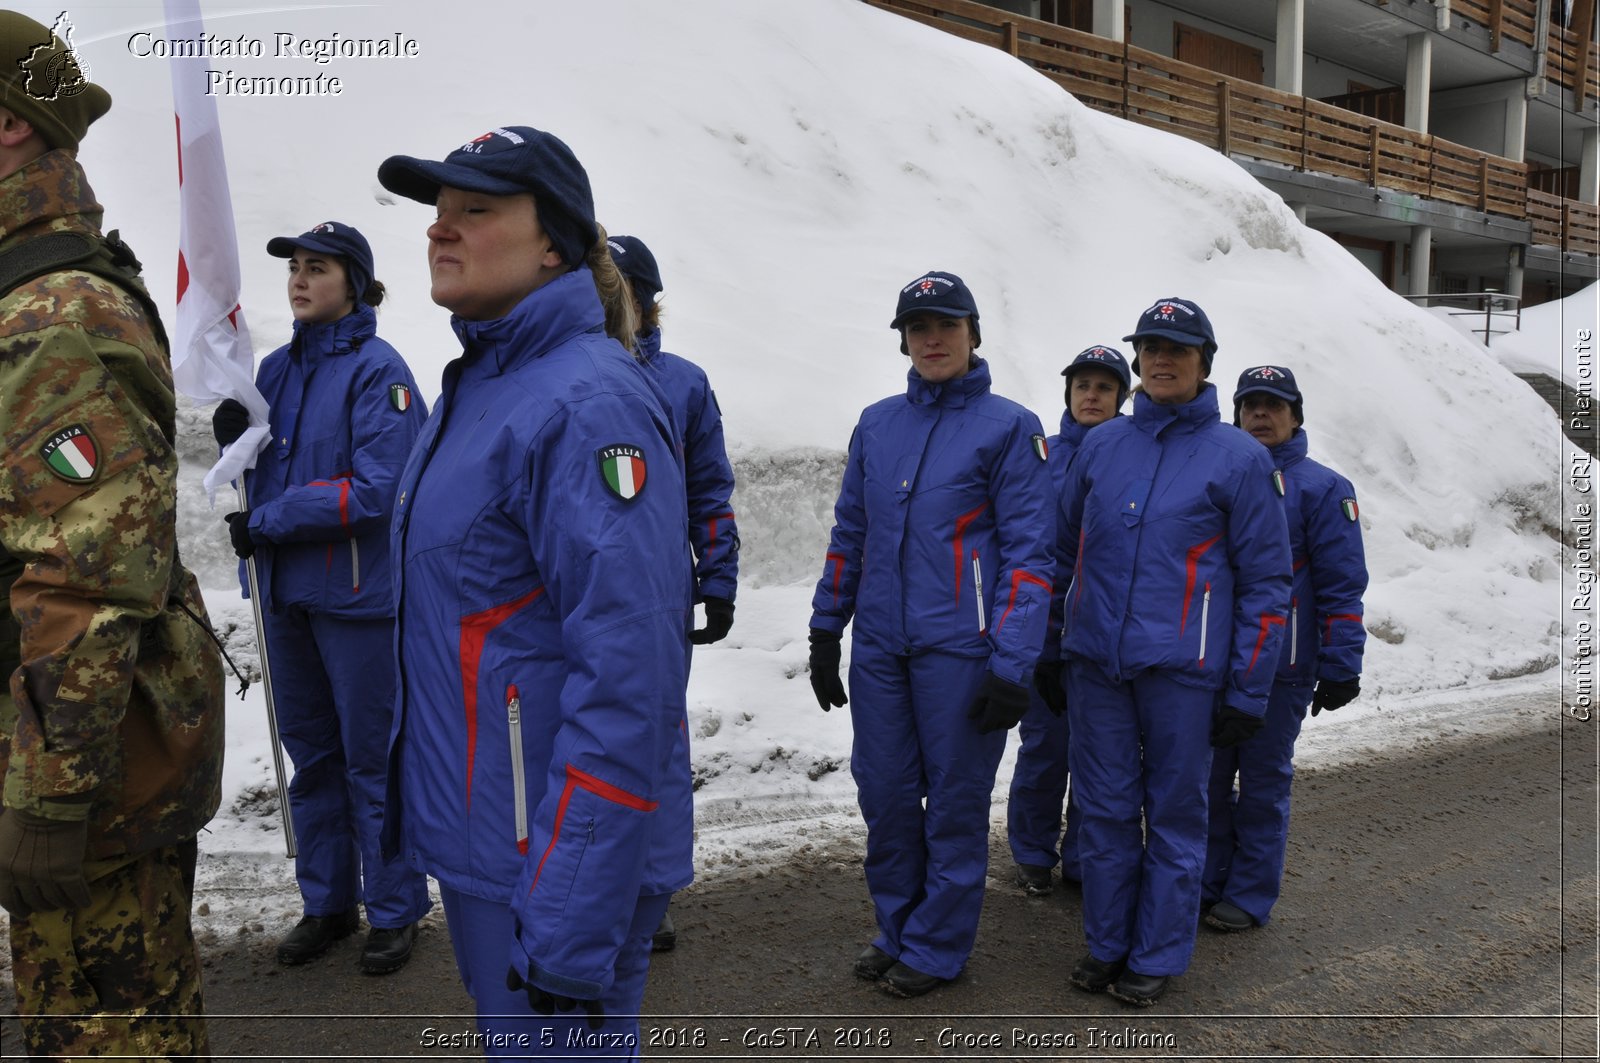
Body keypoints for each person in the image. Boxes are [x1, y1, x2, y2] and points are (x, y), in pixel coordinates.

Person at [376, 125, 693, 1057]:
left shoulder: (586, 404)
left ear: (552, 240)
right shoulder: (481, 388)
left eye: (475, 210)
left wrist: (572, 900)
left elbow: (630, 671)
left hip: (551, 857)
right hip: (492, 843)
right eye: (438, 213)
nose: (441, 230)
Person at [0, 11, 224, 1056]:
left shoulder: (51, 310)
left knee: (106, 1036)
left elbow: (88, 579)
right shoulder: (29, 287)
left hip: (91, 772)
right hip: (74, 749)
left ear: (9, 126)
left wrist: (48, 798)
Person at [808, 270, 1054, 998]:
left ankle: (939, 943)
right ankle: (899, 926)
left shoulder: (1011, 427)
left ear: (973, 333)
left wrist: (1012, 662)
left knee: (952, 801)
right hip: (882, 645)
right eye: (918, 328)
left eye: (946, 325)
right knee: (884, 794)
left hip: (962, 650)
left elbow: (1030, 555)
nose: (932, 339)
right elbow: (850, 531)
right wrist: (828, 627)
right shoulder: (878, 422)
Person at [1053, 297, 1290, 1007]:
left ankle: (1155, 953)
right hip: (1098, 663)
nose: (1161, 360)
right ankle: (1108, 944)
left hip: (1183, 675)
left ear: (1204, 364)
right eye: (1150, 348)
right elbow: (1062, 548)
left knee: (1177, 814)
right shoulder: (1101, 445)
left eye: (1177, 350)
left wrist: (1249, 690)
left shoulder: (1240, 458)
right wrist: (1046, 646)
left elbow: (1268, 584)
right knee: (1103, 809)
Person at [211, 220, 431, 973]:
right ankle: (327, 901)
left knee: (374, 757)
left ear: (357, 283)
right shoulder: (272, 371)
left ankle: (396, 908)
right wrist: (232, 434)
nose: (300, 279)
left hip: (358, 598)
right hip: (284, 597)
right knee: (311, 756)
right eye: (295, 268)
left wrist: (266, 521)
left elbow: (377, 490)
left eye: (318, 268)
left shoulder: (382, 372)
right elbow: (256, 468)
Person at [609, 233, 739, 954]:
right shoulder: (568, 372)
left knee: (657, 737)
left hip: (660, 591)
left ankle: (651, 893)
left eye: (623, 287)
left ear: (649, 300)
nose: (611, 298)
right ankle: (593, 878)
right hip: (581, 591)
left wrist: (717, 577)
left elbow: (710, 488)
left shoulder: (683, 382)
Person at [1203, 365, 1367, 932]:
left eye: (1273, 406)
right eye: (1250, 405)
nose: (1260, 416)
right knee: (1206, 779)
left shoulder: (1323, 488)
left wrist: (1342, 663)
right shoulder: (1219, 474)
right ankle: (1206, 878)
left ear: (1295, 415)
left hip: (1283, 667)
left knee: (1263, 782)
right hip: (1214, 661)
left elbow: (1343, 584)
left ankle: (1249, 893)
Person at [1008, 343, 1130, 896]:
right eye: (1082, 385)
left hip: (1105, 640)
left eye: (1104, 387)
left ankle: (1085, 857)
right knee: (1043, 748)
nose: (1091, 395)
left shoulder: (1135, 456)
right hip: (1044, 635)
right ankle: (1032, 853)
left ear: (1122, 398)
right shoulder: (1041, 455)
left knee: (1100, 756)